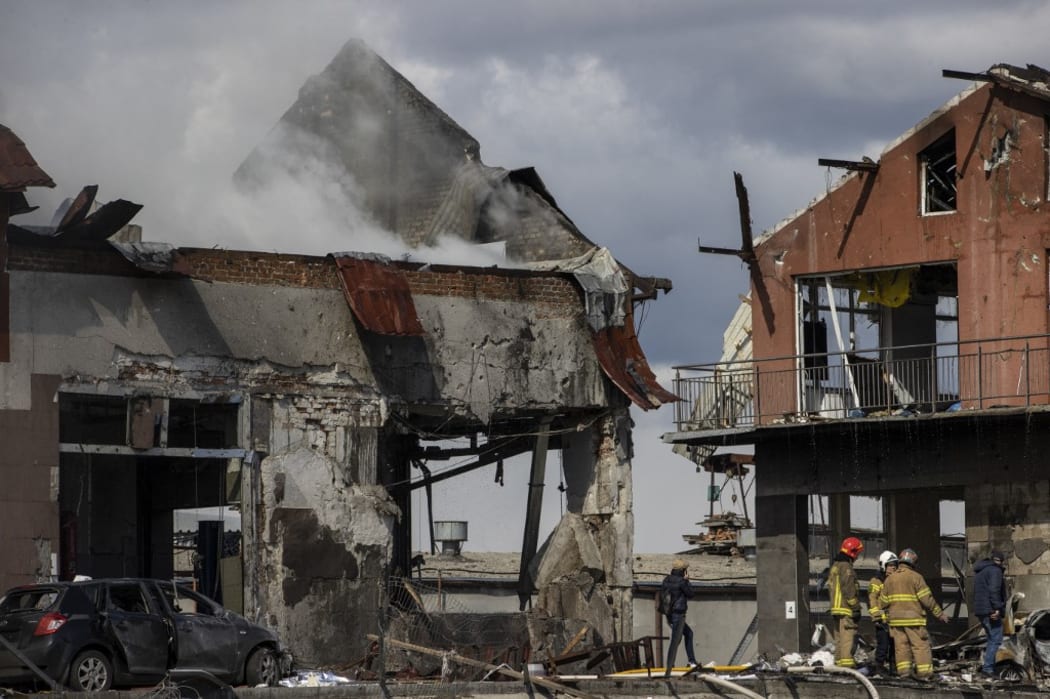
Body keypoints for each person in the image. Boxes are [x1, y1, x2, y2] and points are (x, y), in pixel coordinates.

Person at [880, 548, 947, 680]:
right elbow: (927, 599)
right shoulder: (916, 577)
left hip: (896, 621)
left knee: (901, 647)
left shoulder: (889, 579)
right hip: (914, 620)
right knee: (920, 646)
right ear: (913, 563)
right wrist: (939, 614)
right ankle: (925, 674)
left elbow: (883, 602)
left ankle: (904, 673)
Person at [828, 536, 864, 668]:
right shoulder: (846, 567)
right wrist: (855, 607)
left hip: (836, 609)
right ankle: (847, 666)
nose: (858, 557)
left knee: (839, 638)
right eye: (858, 553)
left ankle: (838, 664)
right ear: (852, 552)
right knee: (848, 637)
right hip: (845, 608)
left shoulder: (835, 566)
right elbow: (848, 589)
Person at [973, 550, 1007, 679]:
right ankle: (988, 669)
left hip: (981, 610)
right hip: (990, 610)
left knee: (990, 638)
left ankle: (988, 666)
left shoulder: (980, 571)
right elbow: (994, 591)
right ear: (999, 561)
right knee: (996, 638)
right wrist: (997, 609)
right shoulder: (995, 571)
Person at [660, 558, 697, 676]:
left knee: (687, 634)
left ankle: (691, 661)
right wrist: (687, 581)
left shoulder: (666, 580)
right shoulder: (682, 582)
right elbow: (691, 594)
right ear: (683, 570)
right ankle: (671, 665)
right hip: (679, 614)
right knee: (676, 639)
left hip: (669, 614)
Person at [868, 550, 898, 675]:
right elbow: (872, 599)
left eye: (895, 565)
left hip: (894, 620)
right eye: (890, 565)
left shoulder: (895, 580)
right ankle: (878, 668)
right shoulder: (876, 581)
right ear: (883, 565)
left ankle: (893, 669)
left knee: (895, 646)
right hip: (882, 621)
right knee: (883, 646)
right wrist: (877, 616)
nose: (893, 568)